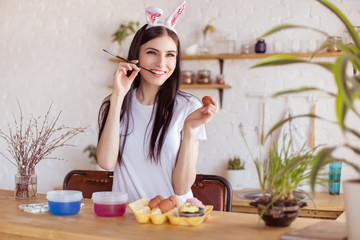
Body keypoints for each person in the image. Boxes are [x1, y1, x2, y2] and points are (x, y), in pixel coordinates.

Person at [96, 0, 218, 204]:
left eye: (170, 55)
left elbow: (181, 187)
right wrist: (118, 96)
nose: (161, 64)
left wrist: (189, 129)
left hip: (172, 219)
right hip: (129, 220)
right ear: (136, 56)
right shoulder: (116, 104)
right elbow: (106, 162)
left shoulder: (189, 108)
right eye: (152, 52)